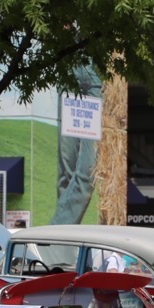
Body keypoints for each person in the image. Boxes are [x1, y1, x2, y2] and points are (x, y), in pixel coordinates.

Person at [51, 63, 104, 225]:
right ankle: (65, 238)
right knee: (66, 172)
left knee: (88, 170)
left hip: (97, 72)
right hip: (69, 69)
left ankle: (54, 233)